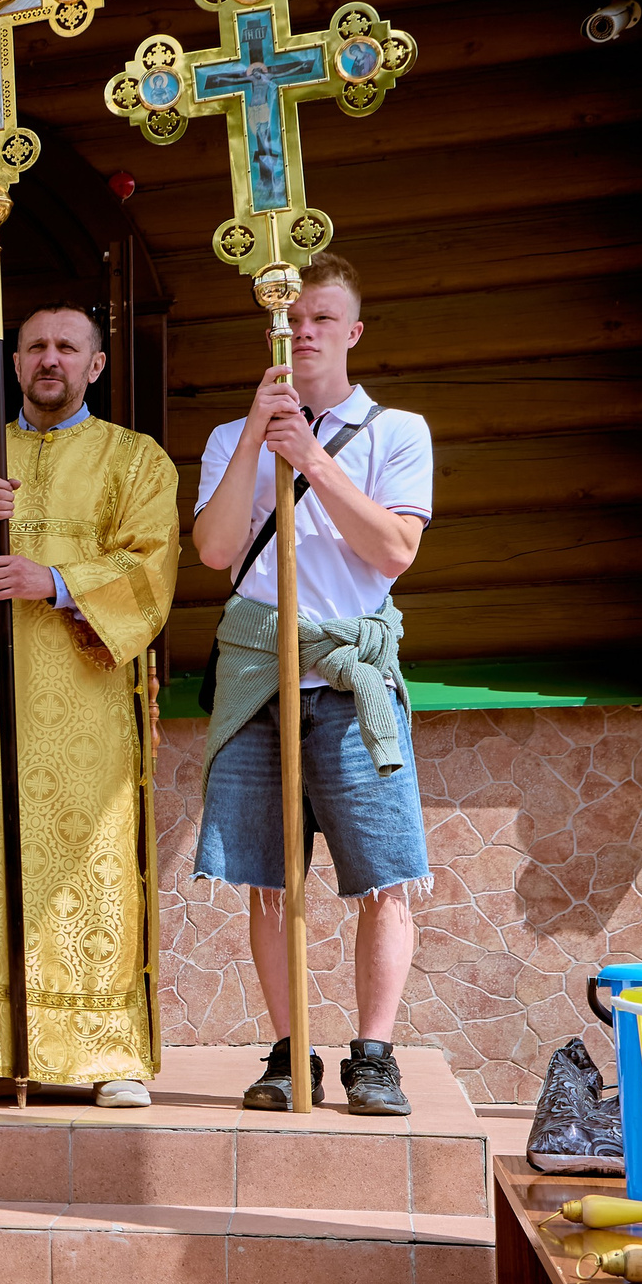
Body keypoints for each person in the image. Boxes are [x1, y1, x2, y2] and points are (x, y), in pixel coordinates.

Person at [0, 303, 180, 1108]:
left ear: (96, 365)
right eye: (35, 347)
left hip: (89, 707)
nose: (50, 359)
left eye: (67, 347)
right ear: (13, 364)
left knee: (97, 857)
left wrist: (55, 583)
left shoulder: (136, 460)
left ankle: (108, 1053)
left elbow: (154, 569)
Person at [191, 251, 435, 1115]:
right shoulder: (231, 436)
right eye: (292, 321)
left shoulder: (396, 431)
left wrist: (315, 460)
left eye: (322, 318)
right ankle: (291, 1045)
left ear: (353, 332)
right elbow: (217, 553)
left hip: (348, 670)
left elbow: (394, 551)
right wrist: (261, 435)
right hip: (260, 668)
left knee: (383, 874)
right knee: (266, 874)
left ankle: (375, 1052)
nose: (304, 333)